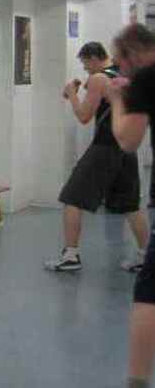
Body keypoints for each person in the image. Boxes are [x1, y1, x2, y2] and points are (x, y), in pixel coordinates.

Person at [45, 42, 149, 272]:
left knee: (71, 198)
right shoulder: (124, 74)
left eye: (85, 64)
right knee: (131, 205)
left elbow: (83, 115)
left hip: (105, 147)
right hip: (127, 147)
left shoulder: (98, 79)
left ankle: (70, 256)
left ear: (93, 58)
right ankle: (145, 256)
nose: (85, 70)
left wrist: (72, 94)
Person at [105, 24, 155, 388]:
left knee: (148, 295)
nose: (121, 72)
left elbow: (128, 140)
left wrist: (118, 99)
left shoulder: (144, 81)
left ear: (131, 55)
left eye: (121, 64)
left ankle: (136, 381)